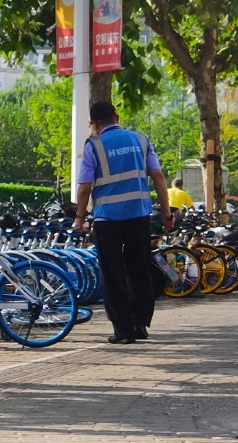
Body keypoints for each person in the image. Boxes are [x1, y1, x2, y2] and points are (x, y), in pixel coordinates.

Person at [74, 101, 173, 344]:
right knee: (139, 270)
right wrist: (166, 212)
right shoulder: (141, 140)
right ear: (117, 117)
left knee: (112, 274)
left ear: (94, 125)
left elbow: (85, 187)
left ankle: (123, 330)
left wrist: (80, 216)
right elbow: (158, 176)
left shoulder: (93, 145)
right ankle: (140, 324)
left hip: (107, 219)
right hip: (138, 215)